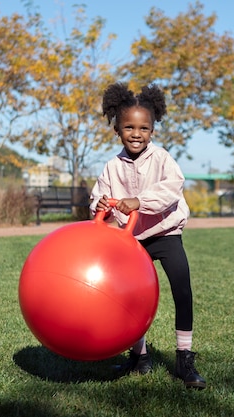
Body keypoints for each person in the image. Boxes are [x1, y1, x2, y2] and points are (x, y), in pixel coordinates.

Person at [90, 82, 206, 390]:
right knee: (131, 299)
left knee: (182, 291)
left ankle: (184, 358)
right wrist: (99, 204)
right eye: (129, 127)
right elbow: (98, 197)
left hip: (166, 235)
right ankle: (140, 357)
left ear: (152, 130)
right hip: (132, 242)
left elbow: (171, 189)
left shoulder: (163, 159)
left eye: (144, 128)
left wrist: (138, 201)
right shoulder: (112, 167)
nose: (136, 133)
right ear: (117, 129)